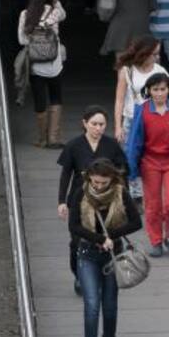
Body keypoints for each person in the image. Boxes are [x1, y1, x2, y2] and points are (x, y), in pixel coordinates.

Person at [68, 158, 141, 337]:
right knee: (91, 306)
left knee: (109, 307)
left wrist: (112, 236)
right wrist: (99, 239)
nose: (99, 186)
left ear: (112, 179)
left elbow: (136, 222)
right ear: (89, 178)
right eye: (95, 182)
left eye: (103, 182)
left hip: (113, 255)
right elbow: (74, 226)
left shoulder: (120, 193)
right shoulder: (81, 193)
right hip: (87, 253)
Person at [124, 72, 169, 257]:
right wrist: (131, 168)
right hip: (150, 163)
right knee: (153, 205)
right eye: (155, 89)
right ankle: (156, 240)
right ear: (149, 90)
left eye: (163, 89)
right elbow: (134, 141)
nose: (159, 93)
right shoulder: (142, 110)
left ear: (168, 90)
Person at [57, 106, 127, 295]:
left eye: (102, 124)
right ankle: (79, 275)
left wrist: (123, 198)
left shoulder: (111, 145)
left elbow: (122, 172)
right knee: (77, 241)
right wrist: (61, 201)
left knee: (106, 238)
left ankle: (102, 275)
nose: (98, 128)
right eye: (94, 124)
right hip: (79, 199)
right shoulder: (74, 145)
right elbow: (66, 174)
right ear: (85, 123)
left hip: (107, 200)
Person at [17, 0, 66, 149]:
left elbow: (22, 40)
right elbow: (64, 15)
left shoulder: (25, 14)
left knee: (40, 101)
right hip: (55, 65)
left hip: (36, 66)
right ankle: (54, 139)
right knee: (56, 98)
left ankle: (42, 139)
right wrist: (56, 1)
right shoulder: (54, 12)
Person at [112, 36, 167, 144]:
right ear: (144, 53)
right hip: (132, 118)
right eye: (154, 54)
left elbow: (167, 98)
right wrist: (118, 127)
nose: (158, 57)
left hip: (154, 119)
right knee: (130, 153)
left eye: (158, 54)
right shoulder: (127, 70)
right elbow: (119, 100)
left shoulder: (160, 71)